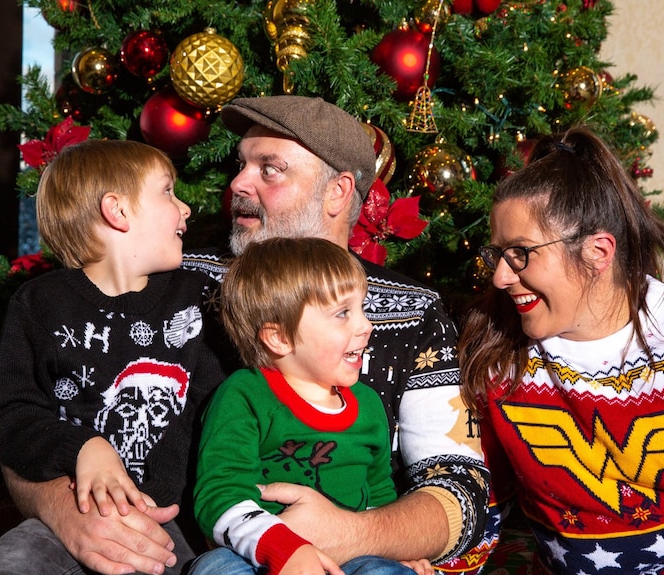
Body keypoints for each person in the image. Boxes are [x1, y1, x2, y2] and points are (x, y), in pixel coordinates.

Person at [457, 125, 664, 574]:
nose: (500, 277)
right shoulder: (498, 354)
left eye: (520, 253)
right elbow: (483, 503)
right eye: (497, 255)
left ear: (599, 251)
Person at [182, 95, 496, 574]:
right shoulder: (184, 282)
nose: (238, 184)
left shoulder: (413, 312)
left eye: (270, 169)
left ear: (337, 192)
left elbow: (459, 481)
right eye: (242, 165)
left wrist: (365, 536)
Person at [0, 139, 234, 575]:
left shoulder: (200, 301)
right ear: (118, 211)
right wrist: (83, 447)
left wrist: (149, 498)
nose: (186, 208)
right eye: (168, 191)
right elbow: (7, 413)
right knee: (11, 561)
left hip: (172, 517)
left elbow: (214, 407)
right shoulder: (39, 304)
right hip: (73, 517)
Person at [190, 236, 432, 575]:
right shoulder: (244, 395)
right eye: (343, 313)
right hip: (259, 554)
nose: (365, 326)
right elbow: (219, 493)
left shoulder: (368, 404)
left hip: (350, 555)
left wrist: (393, 552)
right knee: (215, 568)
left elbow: (379, 492)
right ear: (280, 338)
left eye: (362, 308)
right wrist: (283, 549)